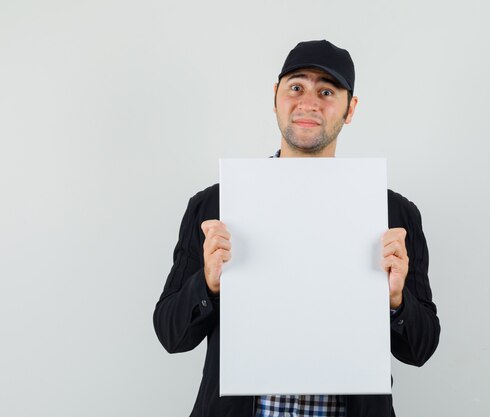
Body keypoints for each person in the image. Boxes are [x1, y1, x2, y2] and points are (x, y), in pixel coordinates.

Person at [153, 40, 440, 417]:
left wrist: (396, 300)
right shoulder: (214, 206)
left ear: (350, 109)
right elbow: (172, 336)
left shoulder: (393, 214)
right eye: (296, 87)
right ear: (275, 97)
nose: (309, 103)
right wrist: (208, 284)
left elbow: (419, 350)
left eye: (326, 91)